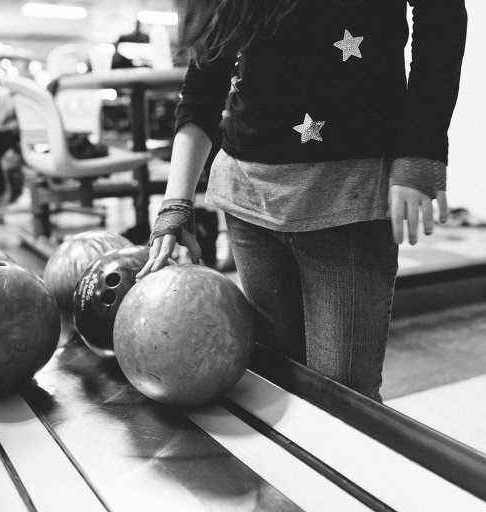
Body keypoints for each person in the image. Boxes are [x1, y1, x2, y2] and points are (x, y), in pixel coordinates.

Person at [139, 0, 467, 401]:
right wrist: (176, 205)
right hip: (249, 200)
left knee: (343, 404)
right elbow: (203, 81)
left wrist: (421, 149)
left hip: (347, 198)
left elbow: (442, 15)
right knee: (275, 389)